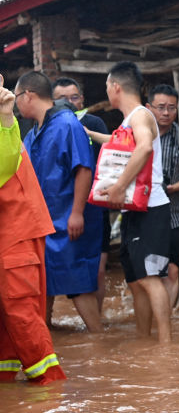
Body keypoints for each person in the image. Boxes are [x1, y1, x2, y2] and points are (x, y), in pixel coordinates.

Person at [87, 62, 173, 343]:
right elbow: (114, 142)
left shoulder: (139, 115)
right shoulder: (130, 120)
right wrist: (87, 135)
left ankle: (166, 346)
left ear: (116, 87)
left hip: (152, 208)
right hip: (136, 210)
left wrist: (119, 186)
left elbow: (145, 147)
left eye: (106, 87)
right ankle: (144, 339)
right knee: (137, 282)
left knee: (150, 277)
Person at [14, 71, 103, 333]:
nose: (17, 105)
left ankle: (98, 338)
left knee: (76, 282)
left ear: (28, 95)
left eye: (17, 97)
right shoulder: (33, 132)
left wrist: (77, 212)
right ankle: (45, 334)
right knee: (44, 281)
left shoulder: (66, 124)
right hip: (43, 220)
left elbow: (84, 169)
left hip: (67, 217)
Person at [0, 75, 67, 385]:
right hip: (14, 233)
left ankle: (49, 392)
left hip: (14, 235)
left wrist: (4, 115)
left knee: (20, 312)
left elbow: (4, 164)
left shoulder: (6, 128)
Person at [52, 77, 111, 315]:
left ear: (82, 99)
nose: (69, 102)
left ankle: (94, 327)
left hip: (95, 207)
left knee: (97, 269)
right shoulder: (48, 126)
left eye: (73, 97)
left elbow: (108, 161)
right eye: (62, 99)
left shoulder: (94, 122)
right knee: (57, 267)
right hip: (61, 210)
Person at [146, 84, 179, 309]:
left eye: (171, 108)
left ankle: (165, 319)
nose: (166, 113)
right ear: (149, 108)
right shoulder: (140, 136)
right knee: (148, 272)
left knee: (172, 270)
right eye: (161, 107)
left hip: (172, 217)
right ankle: (147, 317)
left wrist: (171, 188)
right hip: (144, 217)